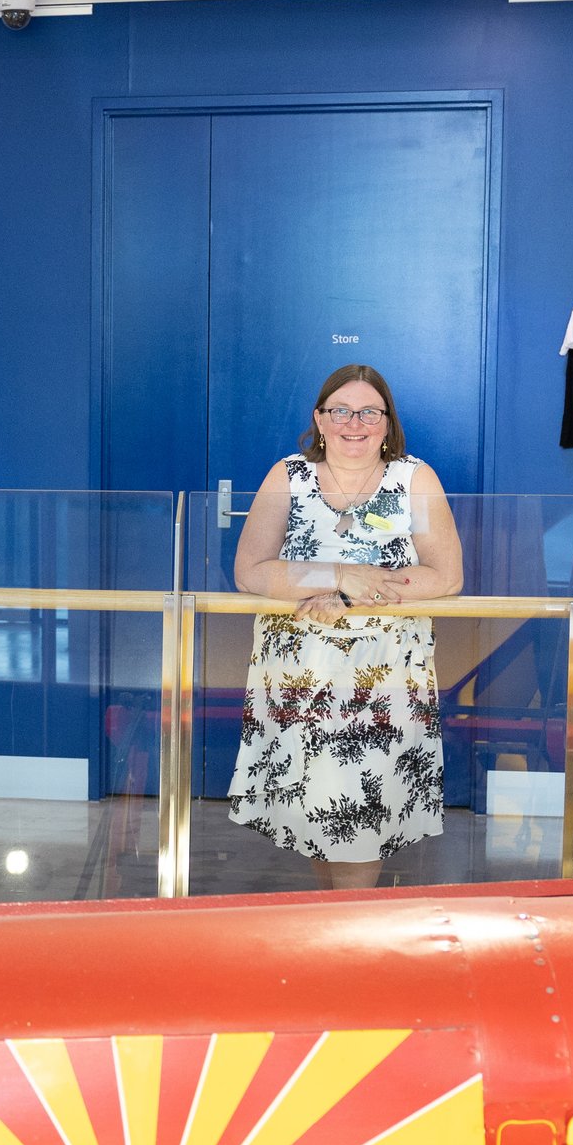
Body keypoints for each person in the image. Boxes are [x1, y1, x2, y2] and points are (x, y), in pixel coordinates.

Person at [227, 364, 463, 889]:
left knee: (362, 814)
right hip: (299, 674)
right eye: (340, 410)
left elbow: (445, 576)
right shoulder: (287, 476)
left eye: (369, 412)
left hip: (381, 675)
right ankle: (338, 919)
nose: (354, 423)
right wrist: (335, 576)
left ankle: (348, 937)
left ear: (387, 422)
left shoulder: (413, 479)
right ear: (319, 417)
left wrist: (353, 592)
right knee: (319, 808)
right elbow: (250, 571)